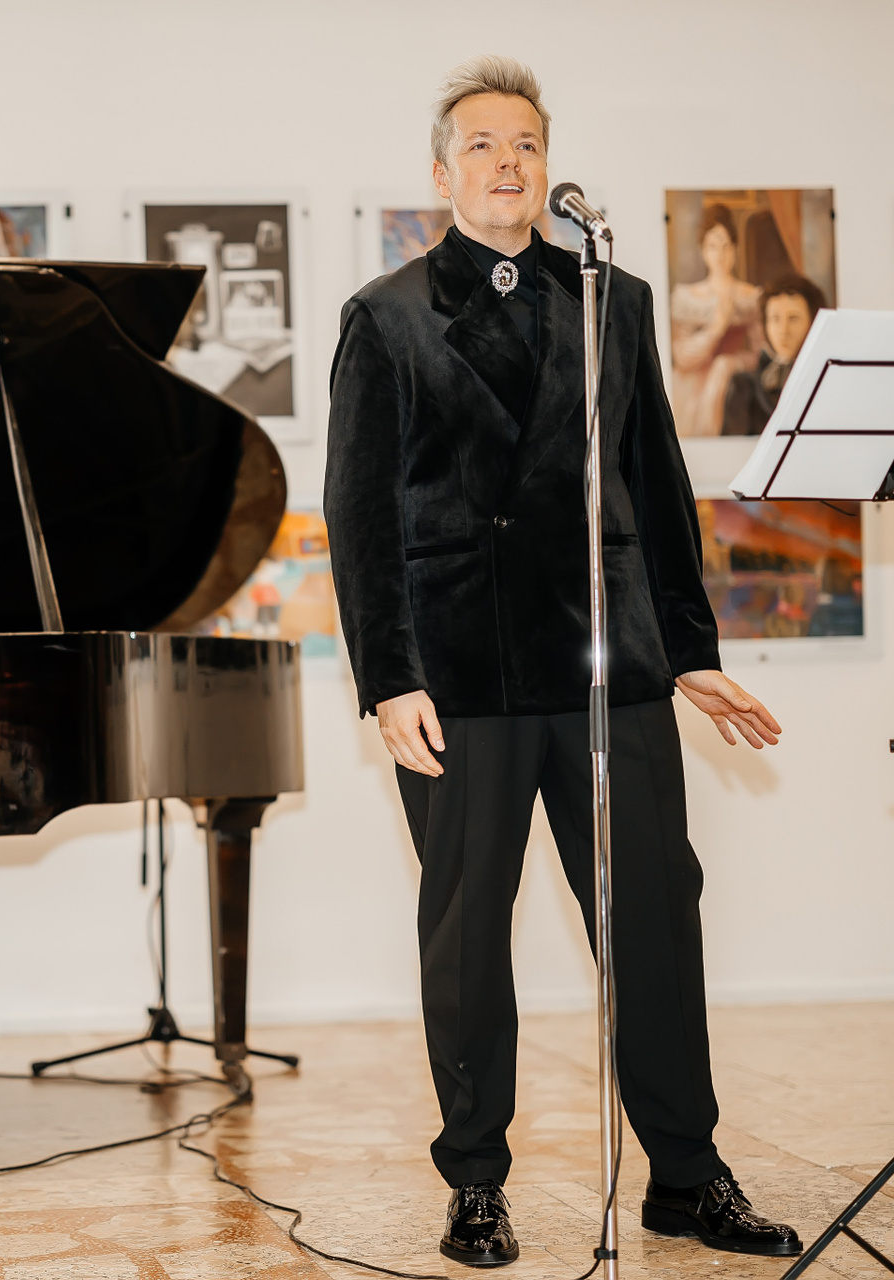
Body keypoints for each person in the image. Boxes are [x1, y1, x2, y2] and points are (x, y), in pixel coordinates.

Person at [325, 56, 802, 1268]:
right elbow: (359, 515)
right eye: (483, 145)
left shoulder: (614, 300)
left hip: (608, 667)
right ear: (443, 173)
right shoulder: (386, 316)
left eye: (527, 143)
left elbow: (657, 481)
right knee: (466, 936)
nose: (509, 161)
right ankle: (475, 1180)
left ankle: (686, 1175)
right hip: (460, 676)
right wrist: (388, 678)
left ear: (549, 166)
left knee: (656, 920)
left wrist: (688, 649)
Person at [669, 203, 762, 436]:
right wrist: (716, 329)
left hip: (733, 387)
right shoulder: (687, 297)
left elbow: (760, 353)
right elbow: (681, 356)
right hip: (690, 392)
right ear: (702, 250)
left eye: (726, 246)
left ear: (735, 249)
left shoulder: (750, 297)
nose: (720, 255)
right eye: (712, 246)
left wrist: (729, 364)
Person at [721, 274, 826, 436]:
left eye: (794, 318)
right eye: (775, 319)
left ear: (813, 322)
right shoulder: (744, 386)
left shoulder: (826, 380)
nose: (783, 331)